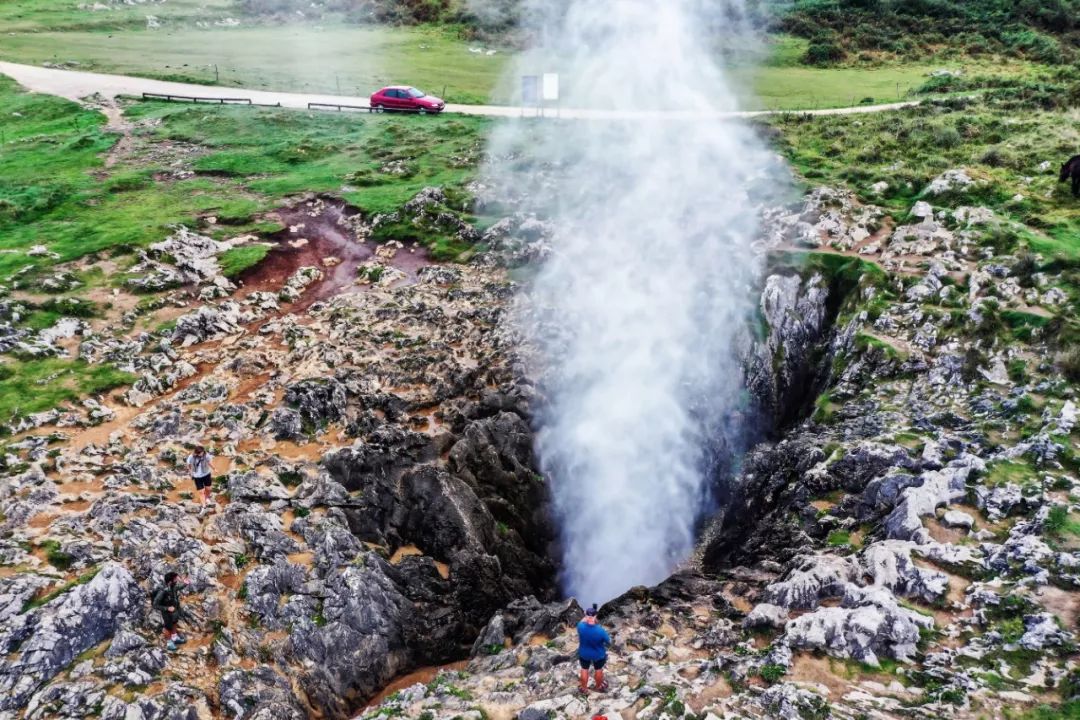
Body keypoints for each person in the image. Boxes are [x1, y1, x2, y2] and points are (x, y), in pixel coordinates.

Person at [577, 604, 611, 694]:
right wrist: (594, 619)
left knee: (584, 669)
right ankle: (599, 686)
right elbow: (609, 641)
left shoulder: (580, 626)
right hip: (598, 654)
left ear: (586, 616)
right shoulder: (601, 631)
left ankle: (584, 688)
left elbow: (583, 621)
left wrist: (587, 616)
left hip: (584, 653)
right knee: (598, 669)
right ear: (595, 616)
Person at [152, 571, 188, 652]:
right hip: (167, 613)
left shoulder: (173, 587)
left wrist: (186, 583)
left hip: (174, 611)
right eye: (175, 579)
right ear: (170, 581)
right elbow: (155, 605)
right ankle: (169, 643)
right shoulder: (163, 591)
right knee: (167, 627)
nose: (176, 580)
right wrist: (167, 608)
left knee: (175, 622)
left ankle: (175, 638)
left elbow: (179, 587)